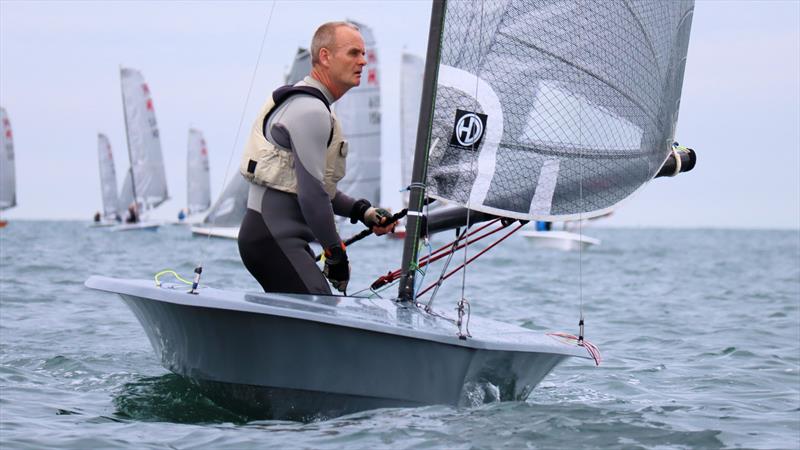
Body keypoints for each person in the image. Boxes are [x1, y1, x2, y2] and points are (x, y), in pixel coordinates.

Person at [238, 21, 394, 296]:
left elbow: (317, 191)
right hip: (273, 240)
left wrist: (364, 212)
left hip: (272, 239)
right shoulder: (311, 112)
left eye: (364, 54)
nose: (363, 61)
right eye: (353, 53)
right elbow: (311, 196)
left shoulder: (316, 108)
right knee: (323, 310)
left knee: (313, 317)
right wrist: (335, 253)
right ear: (325, 56)